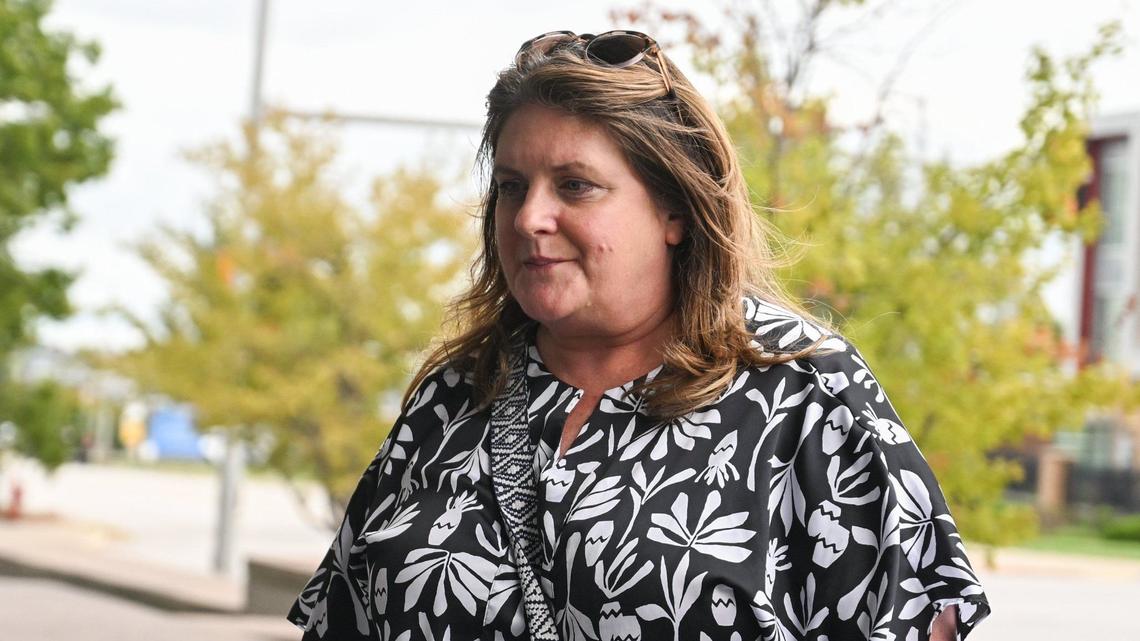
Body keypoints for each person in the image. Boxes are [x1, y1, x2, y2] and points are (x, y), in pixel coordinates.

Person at [288, 30, 990, 640]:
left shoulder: (804, 395)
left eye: (574, 185)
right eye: (511, 185)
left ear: (674, 211)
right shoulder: (453, 397)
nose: (530, 216)